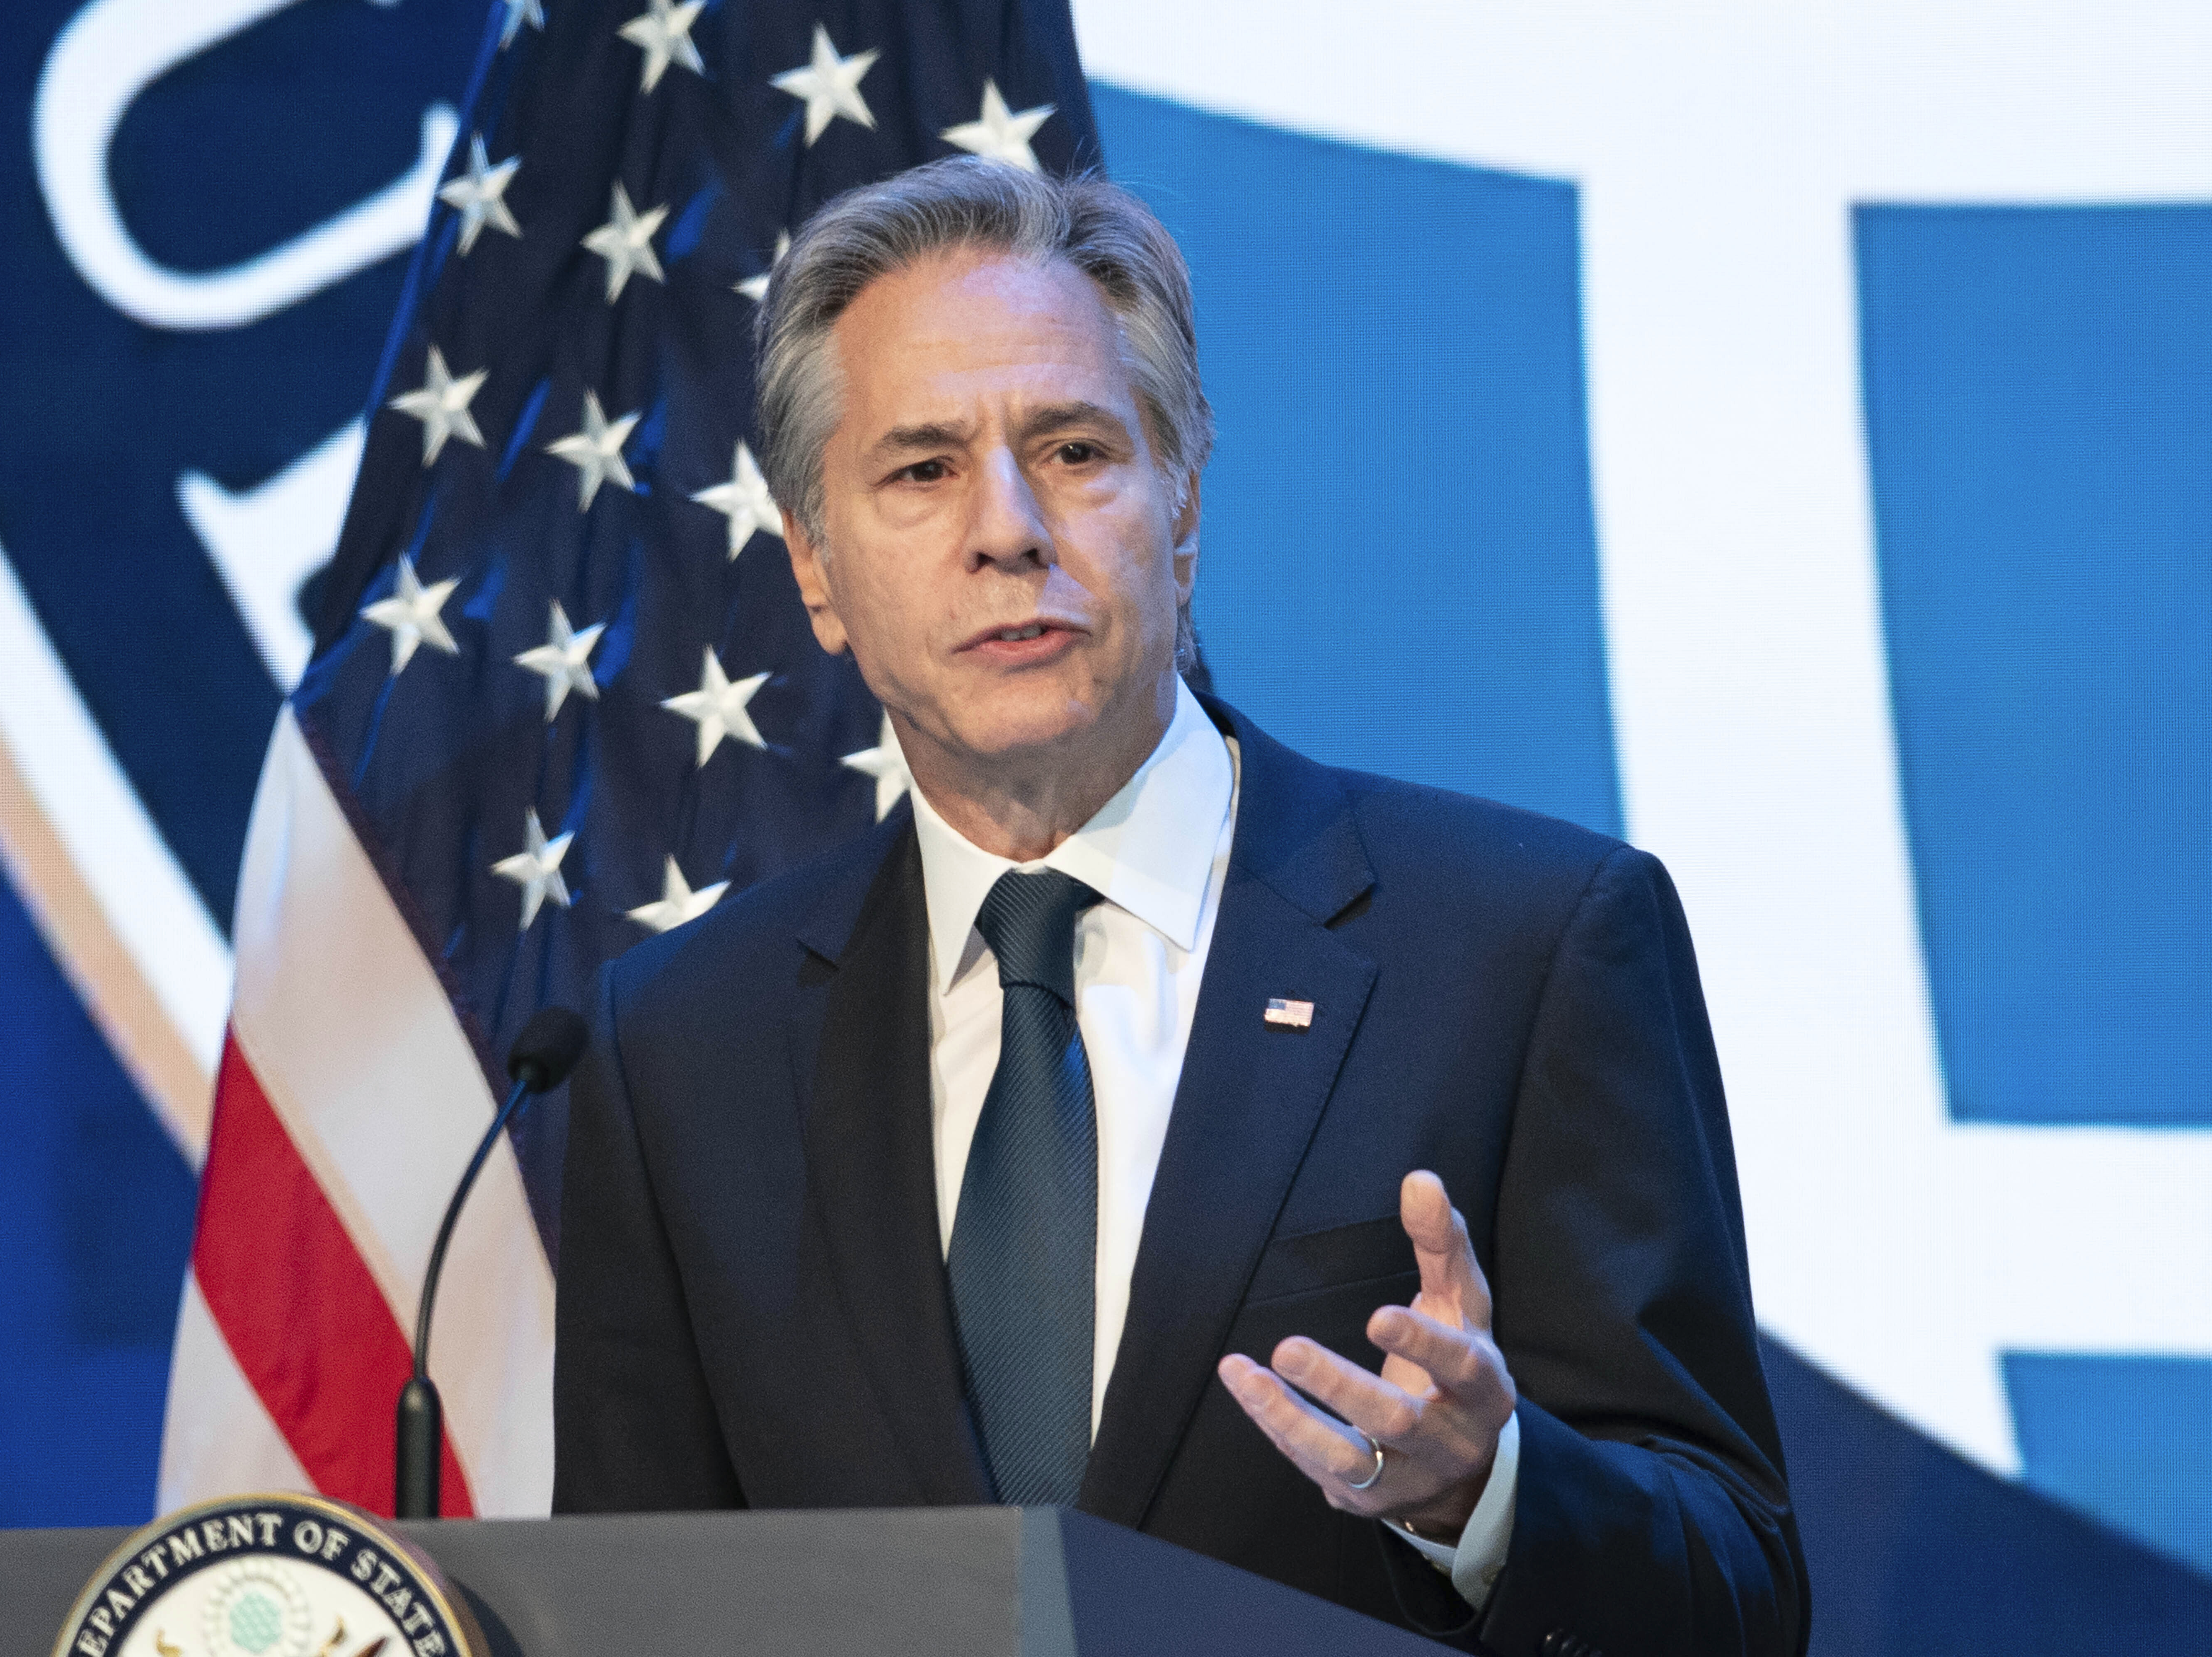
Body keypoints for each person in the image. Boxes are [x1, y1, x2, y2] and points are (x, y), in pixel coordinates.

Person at [553, 157, 1806, 1657]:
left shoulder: (1528, 948)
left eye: (1075, 450)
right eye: (922, 469)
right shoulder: (682, 1043)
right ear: (817, 569)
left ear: (1184, 500)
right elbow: (633, 1615)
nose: (1007, 528)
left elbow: (1741, 1592)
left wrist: (1493, 1490)